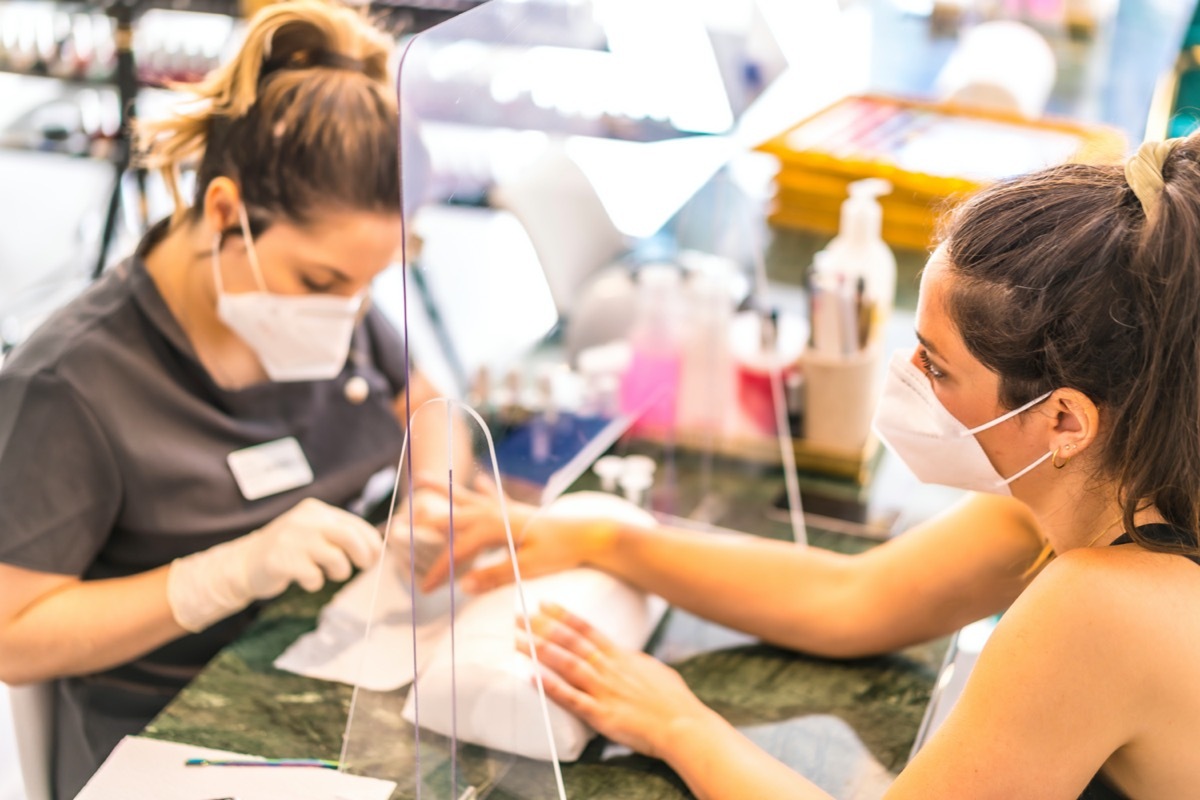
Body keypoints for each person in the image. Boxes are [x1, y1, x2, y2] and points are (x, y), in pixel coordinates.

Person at [416, 136, 1200, 798]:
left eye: (936, 366)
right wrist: (609, 541)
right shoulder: (1112, 478)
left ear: (1064, 418)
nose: (906, 379)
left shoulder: (1103, 606)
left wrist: (678, 724)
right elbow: (852, 598)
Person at [0, 3, 464, 797]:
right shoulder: (73, 386)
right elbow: (13, 636)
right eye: (322, 281)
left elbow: (429, 408)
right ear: (224, 212)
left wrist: (434, 499)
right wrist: (218, 576)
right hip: (173, 736)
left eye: (366, 286)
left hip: (331, 667)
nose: (349, 312)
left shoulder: (326, 307)